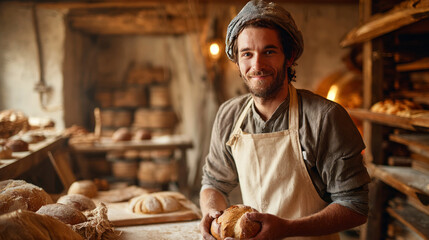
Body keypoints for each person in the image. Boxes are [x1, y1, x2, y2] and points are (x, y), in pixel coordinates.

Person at [199, 0, 371, 239]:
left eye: (268, 51)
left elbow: (356, 206)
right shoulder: (229, 115)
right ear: (237, 61)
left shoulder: (324, 118)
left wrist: (288, 229)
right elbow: (214, 183)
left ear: (288, 57)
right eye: (247, 54)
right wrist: (212, 216)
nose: (257, 65)